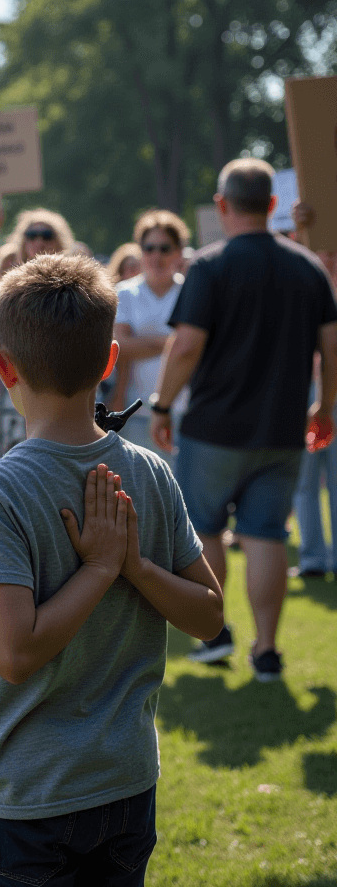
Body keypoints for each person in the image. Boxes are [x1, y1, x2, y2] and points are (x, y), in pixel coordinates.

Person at [0, 253, 222, 887]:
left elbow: (14, 656)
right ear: (110, 361)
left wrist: (110, 567)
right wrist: (129, 567)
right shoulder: (148, 470)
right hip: (127, 782)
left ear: (2, 367)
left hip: (29, 792)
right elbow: (210, 617)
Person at [151, 159, 337, 680]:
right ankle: (268, 650)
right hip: (284, 428)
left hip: (214, 429)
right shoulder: (308, 268)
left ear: (222, 205)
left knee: (206, 530)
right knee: (267, 536)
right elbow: (333, 343)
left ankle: (215, 635)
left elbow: (185, 346)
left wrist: (163, 405)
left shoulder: (210, 266)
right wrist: (324, 405)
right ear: (272, 205)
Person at [111, 212, 190, 464]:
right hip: (136, 410)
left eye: (165, 248)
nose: (156, 255)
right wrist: (176, 343)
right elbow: (120, 347)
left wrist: (142, 342)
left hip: (186, 409)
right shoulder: (125, 292)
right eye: (149, 248)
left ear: (178, 252)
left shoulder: (191, 291)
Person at [6, 208, 75, 264]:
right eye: (32, 236)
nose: (39, 242)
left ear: (59, 241)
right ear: (23, 242)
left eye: (47, 236)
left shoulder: (72, 276)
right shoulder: (12, 278)